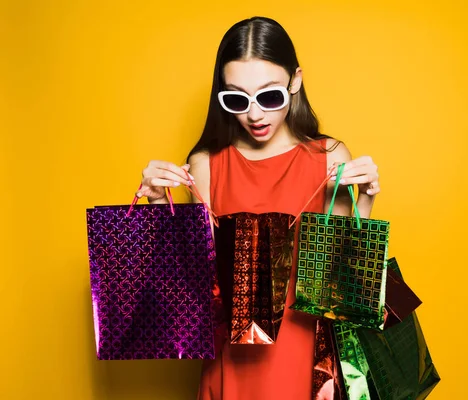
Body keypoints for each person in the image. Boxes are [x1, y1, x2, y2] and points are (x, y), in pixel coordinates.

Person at [135, 16, 381, 400]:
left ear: (295, 81)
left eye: (269, 96)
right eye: (236, 98)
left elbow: (340, 284)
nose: (253, 114)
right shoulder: (206, 164)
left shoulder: (329, 158)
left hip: (305, 363)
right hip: (232, 364)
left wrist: (364, 201)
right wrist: (156, 207)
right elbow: (192, 288)